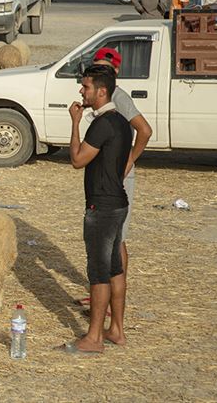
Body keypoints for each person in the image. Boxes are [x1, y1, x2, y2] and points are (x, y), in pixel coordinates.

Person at [61, 65, 132, 355]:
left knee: (99, 272)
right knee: (115, 268)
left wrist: (75, 122)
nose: (81, 90)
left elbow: (78, 160)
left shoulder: (101, 124)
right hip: (118, 203)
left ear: (101, 91)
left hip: (101, 206)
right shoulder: (122, 121)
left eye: (86, 87)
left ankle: (94, 338)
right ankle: (116, 330)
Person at [77, 48, 152, 315]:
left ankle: (101, 315)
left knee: (112, 249)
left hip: (110, 189)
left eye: (103, 68)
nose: (98, 73)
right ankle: (108, 310)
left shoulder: (117, 100)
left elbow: (144, 129)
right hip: (110, 186)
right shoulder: (105, 107)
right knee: (111, 250)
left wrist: (128, 161)